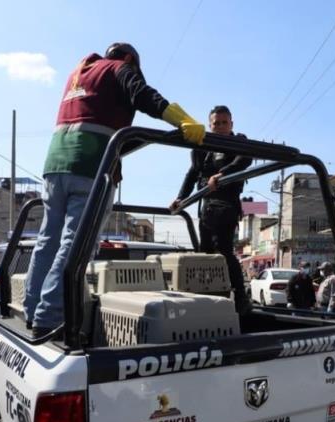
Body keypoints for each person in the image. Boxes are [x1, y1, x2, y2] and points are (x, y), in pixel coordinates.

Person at [23, 42, 205, 338]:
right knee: (74, 244)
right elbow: (144, 95)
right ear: (131, 59)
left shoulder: (81, 74)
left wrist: (147, 138)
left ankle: (33, 310)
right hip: (90, 169)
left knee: (48, 241)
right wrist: (181, 119)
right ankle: (50, 318)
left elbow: (103, 128)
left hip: (55, 167)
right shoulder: (120, 69)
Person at [171, 105, 253, 312]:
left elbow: (244, 159)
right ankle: (207, 295)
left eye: (224, 123)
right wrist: (180, 198)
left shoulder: (238, 142)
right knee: (205, 251)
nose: (220, 127)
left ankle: (240, 298)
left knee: (224, 250)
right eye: (216, 123)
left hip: (226, 204)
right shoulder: (202, 146)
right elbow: (192, 173)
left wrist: (222, 174)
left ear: (231, 124)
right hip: (206, 205)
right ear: (210, 125)